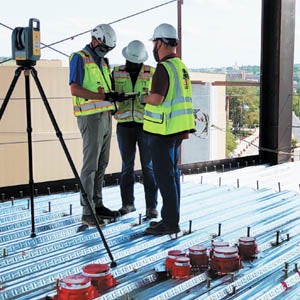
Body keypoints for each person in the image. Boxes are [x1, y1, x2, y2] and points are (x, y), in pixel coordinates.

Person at [142, 23, 196, 235]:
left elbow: (157, 98)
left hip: (162, 131)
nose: (154, 47)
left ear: (160, 43)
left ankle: (170, 222)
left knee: (165, 177)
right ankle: (171, 218)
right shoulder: (180, 66)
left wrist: (143, 98)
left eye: (155, 43)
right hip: (176, 130)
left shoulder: (164, 68)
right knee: (172, 176)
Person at [69, 24, 121, 227]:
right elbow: (75, 89)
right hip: (90, 118)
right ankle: (87, 210)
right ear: (95, 38)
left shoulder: (104, 61)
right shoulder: (79, 58)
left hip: (106, 115)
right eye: (103, 46)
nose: (105, 50)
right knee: (90, 165)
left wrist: (112, 98)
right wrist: (102, 96)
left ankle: (98, 204)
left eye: (108, 48)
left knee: (102, 163)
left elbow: (104, 89)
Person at [112, 40, 158, 218]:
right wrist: (118, 99)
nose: (133, 64)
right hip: (124, 125)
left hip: (145, 126)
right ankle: (128, 204)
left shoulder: (151, 73)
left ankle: (151, 207)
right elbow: (110, 95)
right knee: (127, 167)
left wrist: (144, 98)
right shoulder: (116, 73)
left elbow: (155, 97)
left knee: (148, 167)